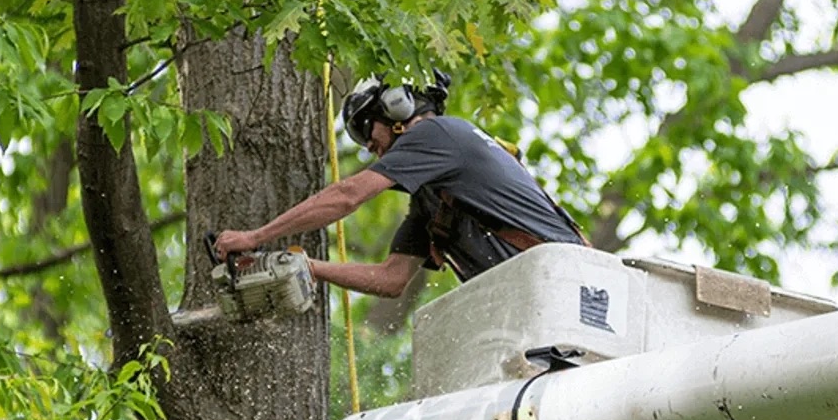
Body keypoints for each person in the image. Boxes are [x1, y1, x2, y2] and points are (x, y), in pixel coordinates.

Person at [213, 70, 589, 297]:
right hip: (538, 291)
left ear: (395, 107)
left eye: (366, 129)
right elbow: (391, 279)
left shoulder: (439, 133)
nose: (371, 148)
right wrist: (305, 266)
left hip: (571, 283)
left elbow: (347, 195)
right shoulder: (434, 203)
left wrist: (255, 237)